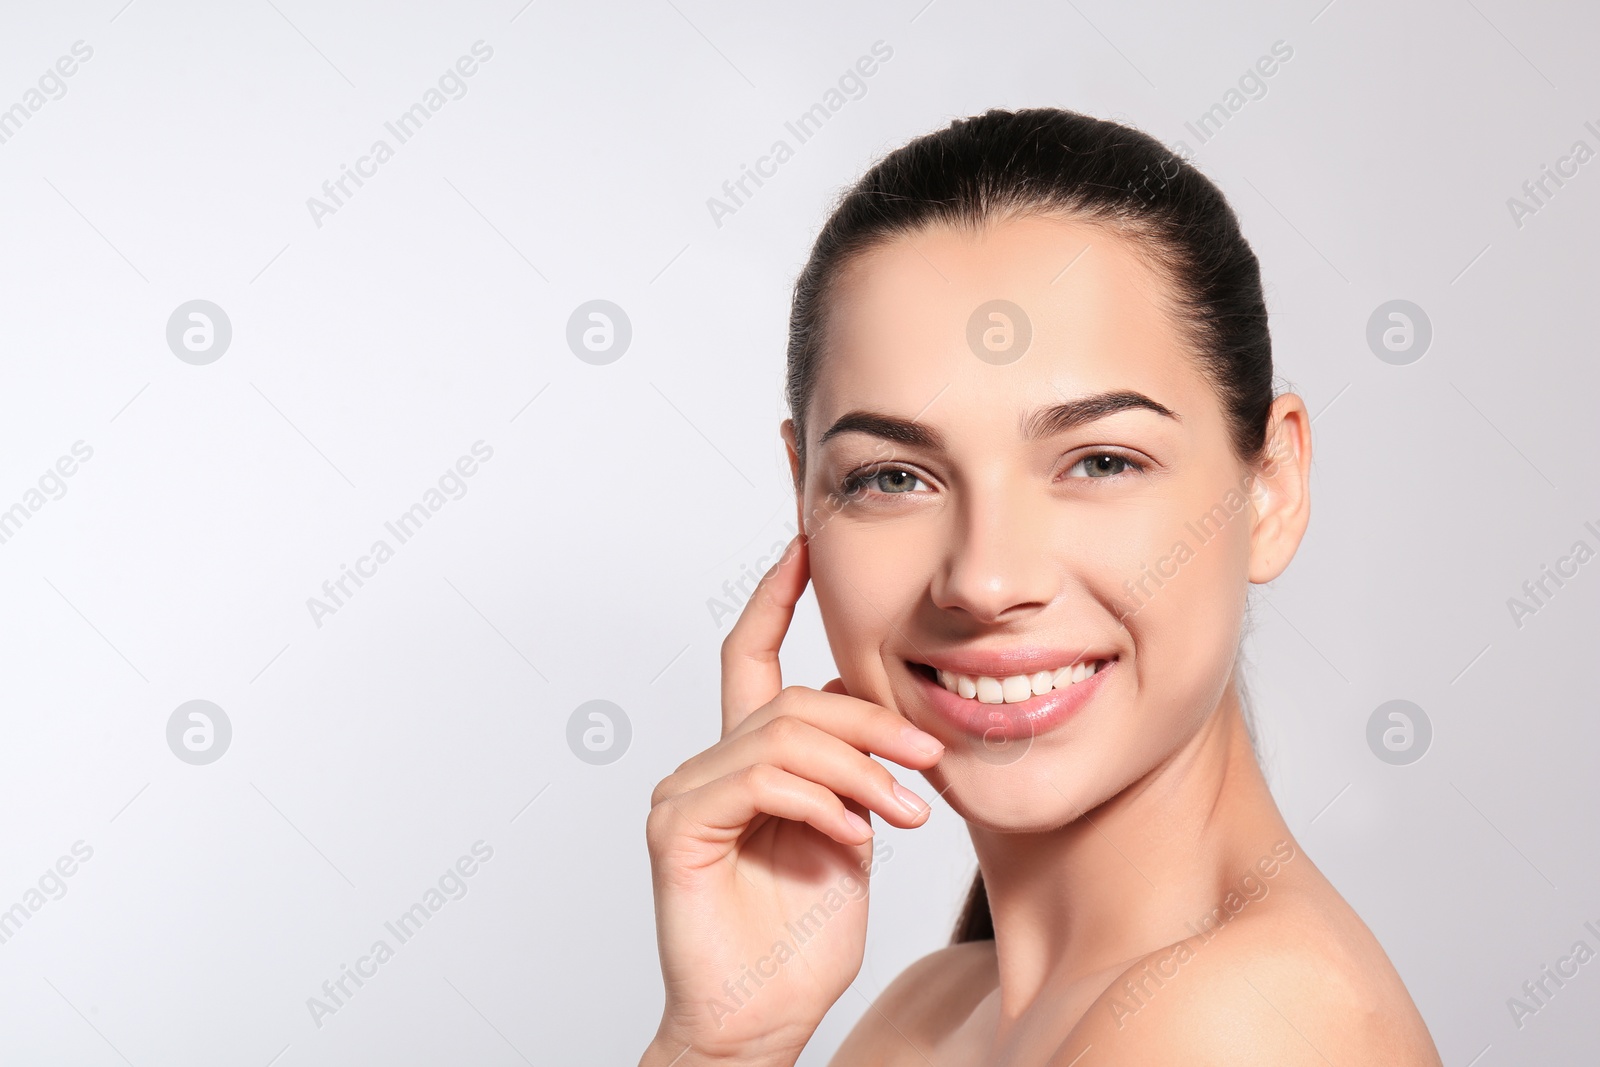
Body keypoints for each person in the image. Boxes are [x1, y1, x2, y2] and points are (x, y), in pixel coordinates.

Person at [639, 107, 1443, 1066]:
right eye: (891, 476)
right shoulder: (932, 1009)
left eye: (1100, 461)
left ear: (1271, 487)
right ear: (804, 493)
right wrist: (723, 1042)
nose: (984, 579)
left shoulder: (1245, 1024)